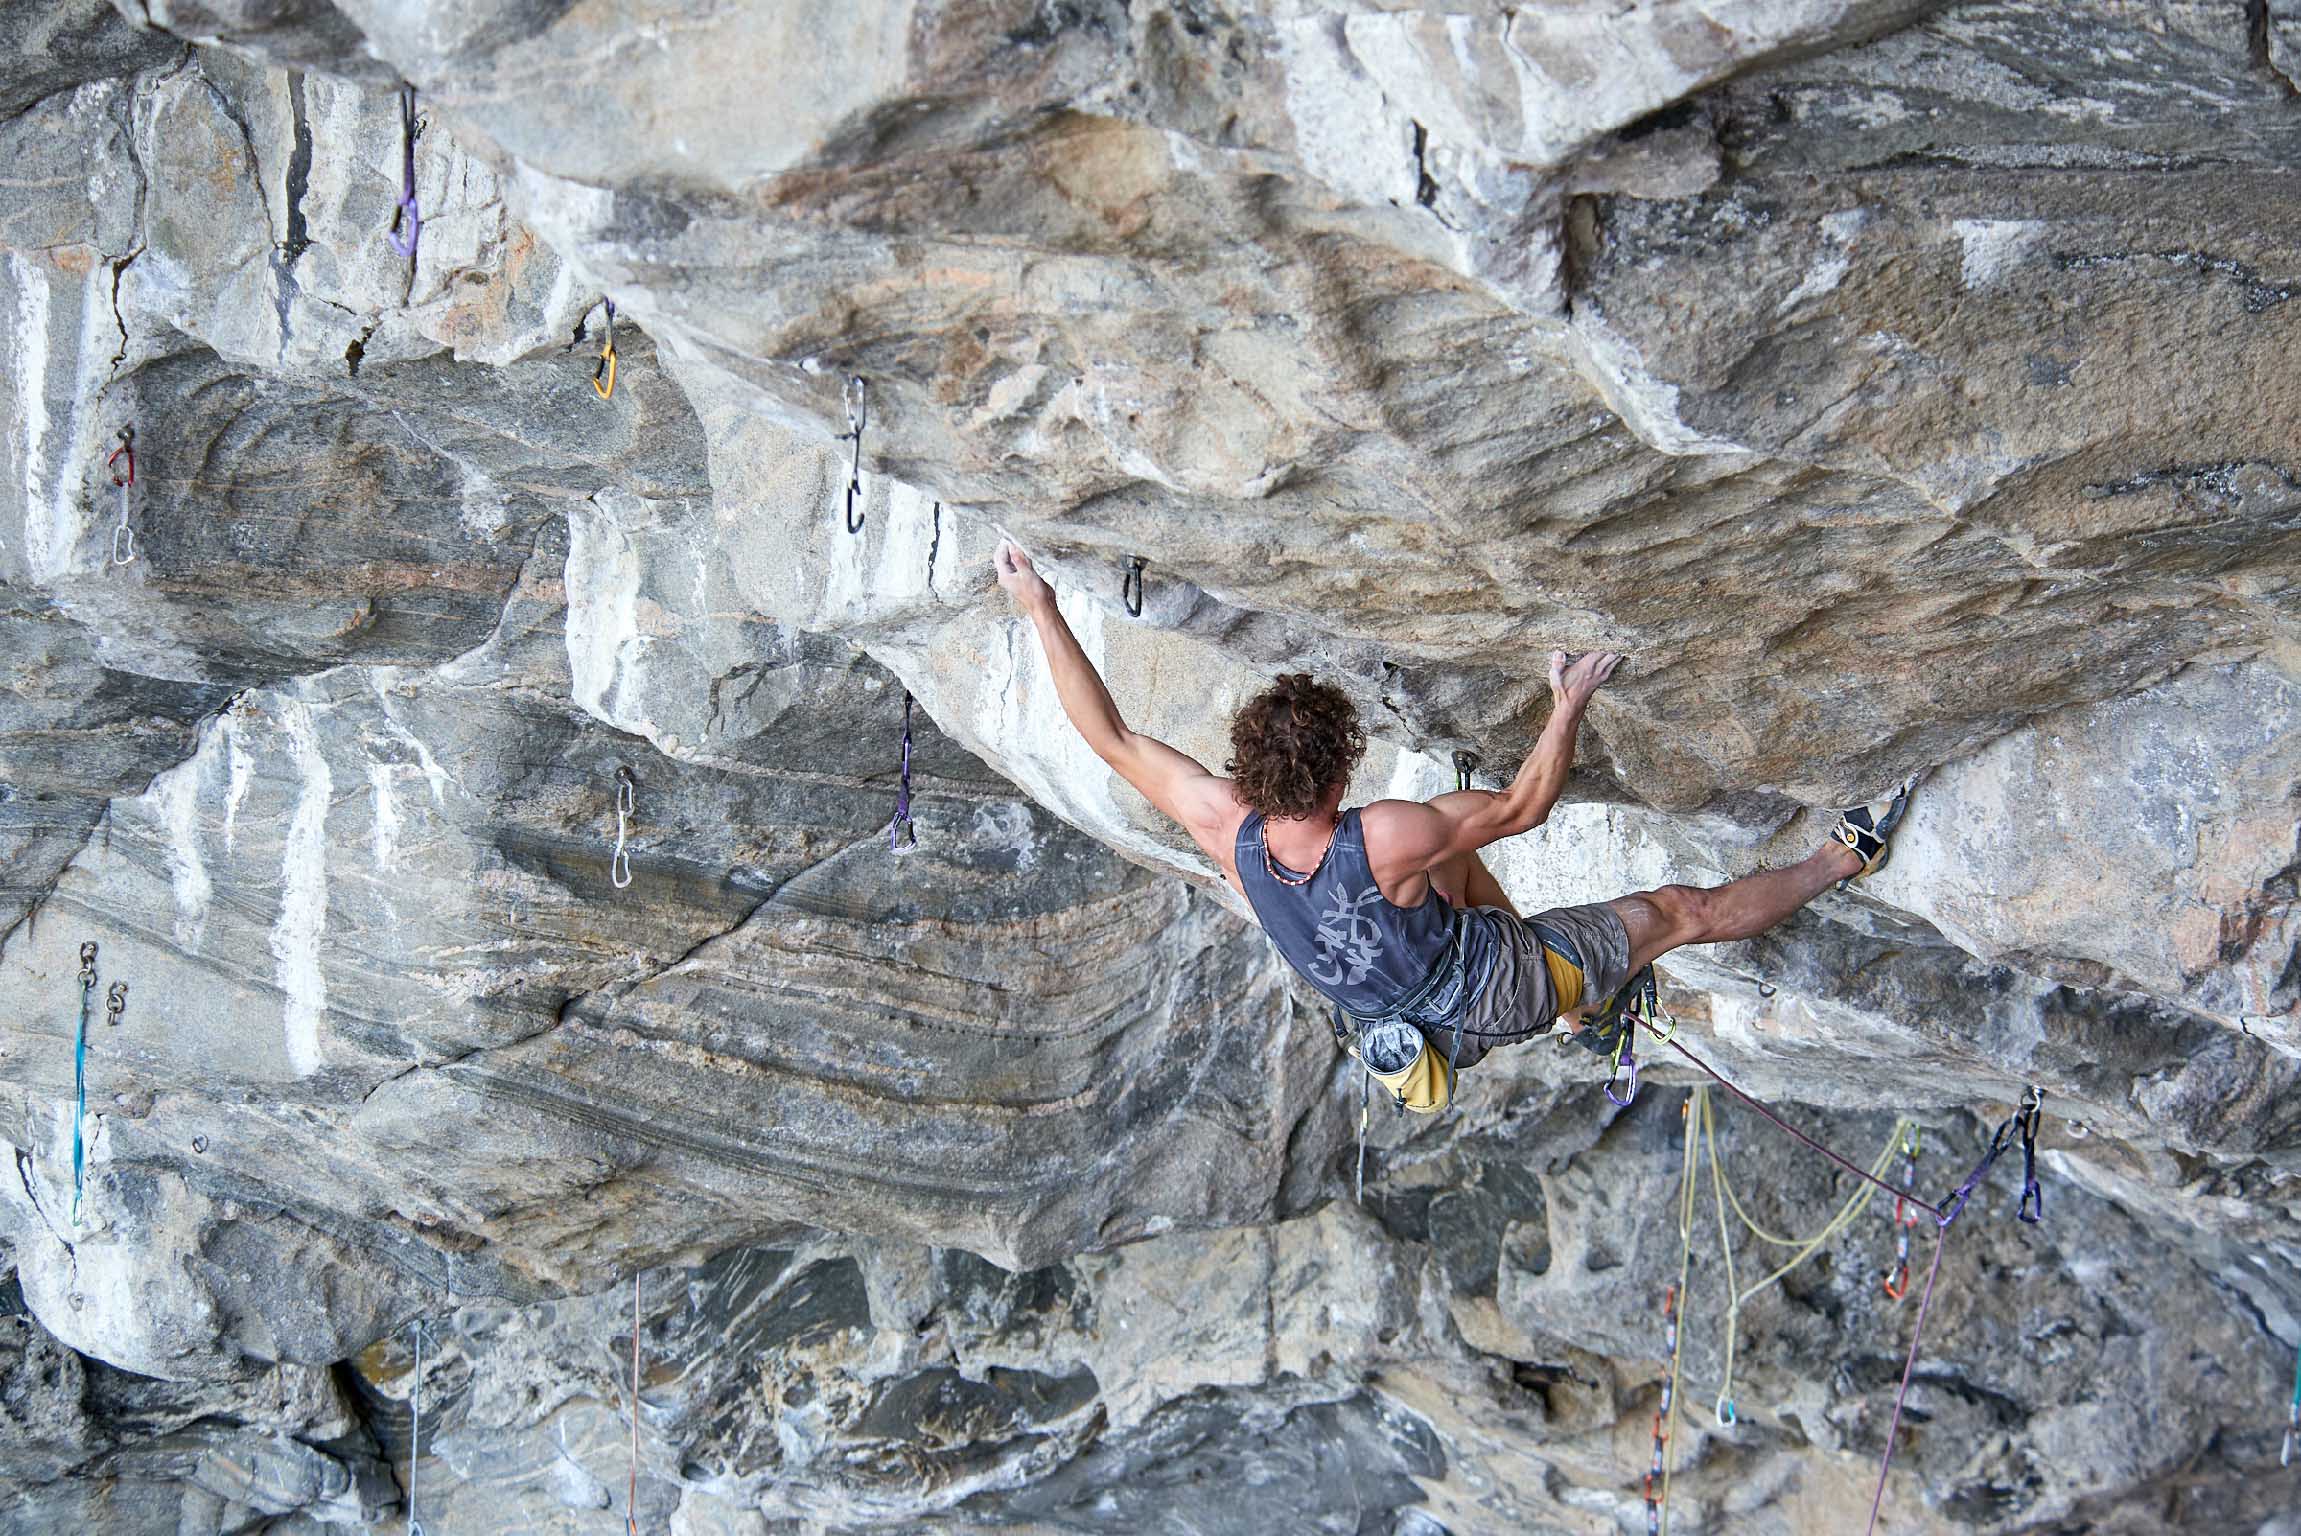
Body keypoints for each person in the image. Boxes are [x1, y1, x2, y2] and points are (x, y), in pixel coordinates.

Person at [993, 541, 1910, 1110]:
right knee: (1676, 911)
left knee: (1446, 871)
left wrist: (1038, 605)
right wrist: (1566, 705)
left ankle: (1585, 996)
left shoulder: (1221, 827)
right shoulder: (1383, 836)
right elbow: (1521, 806)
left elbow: (1109, 737)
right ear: (1345, 770)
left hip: (1408, 1027)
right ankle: (1843, 856)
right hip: (1493, 994)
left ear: (1248, 770)